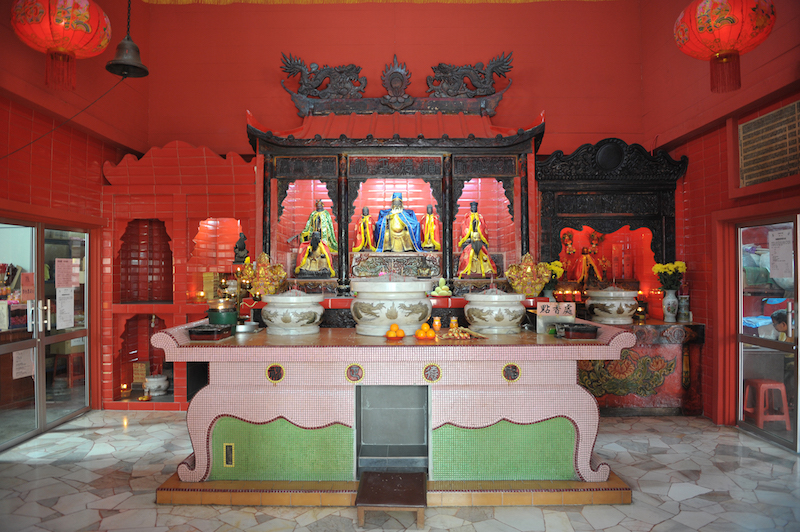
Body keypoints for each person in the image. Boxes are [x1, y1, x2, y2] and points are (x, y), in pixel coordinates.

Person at [456, 201, 498, 278]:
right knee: (468, 256)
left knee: (484, 257)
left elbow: (483, 229)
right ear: (470, 208)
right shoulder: (467, 217)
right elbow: (464, 228)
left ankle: (486, 271)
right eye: (472, 207)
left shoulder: (480, 217)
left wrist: (478, 230)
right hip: (470, 239)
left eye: (475, 207)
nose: (474, 208)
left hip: (479, 241)